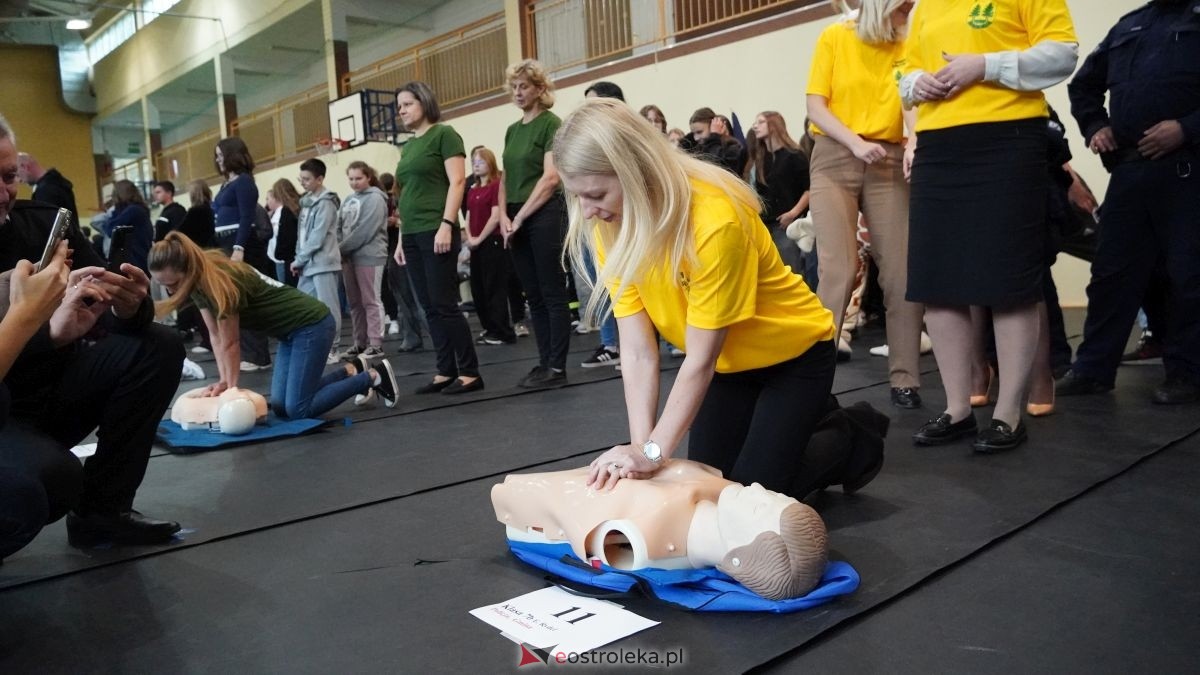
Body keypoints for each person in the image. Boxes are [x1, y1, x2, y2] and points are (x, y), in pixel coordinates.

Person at [554, 99, 880, 500]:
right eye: (578, 197)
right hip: (729, 366)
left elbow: (700, 359)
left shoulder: (713, 220)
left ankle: (848, 436)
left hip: (794, 357)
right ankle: (796, 427)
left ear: (635, 172)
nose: (586, 211)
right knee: (708, 489)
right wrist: (642, 451)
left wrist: (655, 452)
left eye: (596, 194)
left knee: (747, 498)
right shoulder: (615, 221)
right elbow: (638, 351)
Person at [900, 0, 1078, 451]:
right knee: (936, 280)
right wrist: (914, 83)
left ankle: (1007, 415)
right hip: (938, 145)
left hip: (1008, 139)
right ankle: (958, 408)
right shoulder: (924, 6)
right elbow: (904, 72)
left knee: (1009, 280)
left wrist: (986, 65)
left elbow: (1063, 54)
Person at [0, 116, 183, 549]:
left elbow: (107, 301)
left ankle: (104, 510)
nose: (4, 193)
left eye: (8, 177)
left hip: (49, 393)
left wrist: (130, 304)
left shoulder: (46, 226)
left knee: (158, 344)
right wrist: (47, 332)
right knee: (39, 485)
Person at [1057, 0, 1200, 405]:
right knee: (1111, 274)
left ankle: (1188, 373)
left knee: (1189, 276)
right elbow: (1082, 86)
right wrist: (1095, 125)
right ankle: (1092, 370)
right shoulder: (1129, 25)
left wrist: (1186, 129)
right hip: (1131, 171)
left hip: (1190, 168)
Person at [805, 0, 925, 409]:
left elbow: (909, 102)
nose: (909, 15)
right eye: (903, 8)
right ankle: (810, 382)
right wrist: (856, 143)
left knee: (901, 272)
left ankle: (905, 378)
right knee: (838, 267)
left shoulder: (907, 42)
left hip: (889, 159)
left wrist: (913, 141)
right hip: (835, 153)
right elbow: (815, 105)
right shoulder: (835, 37)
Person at [492, 459, 828, 600]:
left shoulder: (652, 537)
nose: (757, 488)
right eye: (772, 495)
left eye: (762, 505)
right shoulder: (719, 491)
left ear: (742, 552)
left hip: (553, 499)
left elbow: (573, 518)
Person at [149, 233, 399, 418]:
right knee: (280, 405)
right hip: (291, 334)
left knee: (299, 409)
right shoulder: (198, 283)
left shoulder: (221, 282)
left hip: (312, 325)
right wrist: (223, 383)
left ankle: (372, 377)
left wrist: (231, 390)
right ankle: (351, 370)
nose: (171, 290)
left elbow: (231, 342)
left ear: (187, 270)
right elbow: (215, 337)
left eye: (172, 283)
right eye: (165, 285)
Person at [395, 81, 483, 394]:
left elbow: (457, 182)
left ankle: (470, 372)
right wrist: (400, 240)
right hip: (413, 234)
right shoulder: (407, 147)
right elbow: (406, 193)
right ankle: (445, 370)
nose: (401, 110)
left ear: (424, 103)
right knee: (428, 307)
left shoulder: (444, 135)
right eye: (400, 106)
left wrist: (447, 224)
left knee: (445, 303)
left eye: (407, 104)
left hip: (436, 229)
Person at [500, 59, 572, 388]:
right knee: (533, 295)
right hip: (515, 216)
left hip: (543, 213)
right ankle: (543, 362)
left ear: (540, 89)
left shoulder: (551, 124)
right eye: (514, 87)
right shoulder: (512, 130)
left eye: (524, 86)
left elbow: (550, 177)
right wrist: (503, 216)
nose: (518, 92)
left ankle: (556, 366)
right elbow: (505, 177)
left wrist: (520, 216)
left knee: (551, 291)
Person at [212, 136, 273, 371]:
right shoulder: (228, 183)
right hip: (226, 243)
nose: (218, 160)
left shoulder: (244, 182)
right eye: (216, 157)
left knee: (246, 298)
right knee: (235, 299)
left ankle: (258, 355)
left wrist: (239, 247)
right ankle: (252, 352)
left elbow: (247, 217)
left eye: (221, 156)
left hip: (240, 244)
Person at [744, 111, 810, 284]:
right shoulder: (761, 159)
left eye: (760, 122)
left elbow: (809, 189)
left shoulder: (794, 155)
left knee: (791, 273)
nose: (755, 126)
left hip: (786, 225)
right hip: (765, 224)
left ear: (773, 125)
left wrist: (793, 213)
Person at [291, 158, 343, 363]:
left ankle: (333, 347)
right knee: (302, 304)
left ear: (320, 179)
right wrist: (299, 259)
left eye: (307, 179)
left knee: (329, 306)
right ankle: (313, 343)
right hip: (308, 264)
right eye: (301, 178)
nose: (302, 182)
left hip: (323, 263)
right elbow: (302, 235)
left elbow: (317, 236)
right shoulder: (306, 202)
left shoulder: (326, 203)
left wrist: (300, 259)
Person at [338, 161, 389, 359]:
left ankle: (375, 343)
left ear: (368, 177)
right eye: (351, 179)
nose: (354, 182)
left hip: (370, 255)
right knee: (354, 303)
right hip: (349, 257)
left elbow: (366, 230)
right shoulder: (349, 199)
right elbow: (339, 225)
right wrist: (340, 248)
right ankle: (360, 342)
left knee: (371, 300)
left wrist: (341, 248)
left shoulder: (376, 199)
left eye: (358, 178)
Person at [466, 147, 516, 345]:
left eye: (480, 162)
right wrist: (470, 237)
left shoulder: (496, 186)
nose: (476, 165)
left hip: (492, 242)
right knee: (478, 288)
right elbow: (468, 215)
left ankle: (502, 330)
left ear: (490, 163)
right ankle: (489, 327)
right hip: (476, 244)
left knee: (494, 287)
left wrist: (479, 239)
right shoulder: (472, 189)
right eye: (474, 162)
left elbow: (495, 216)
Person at [379, 172, 425, 351]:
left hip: (408, 248)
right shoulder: (396, 198)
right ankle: (412, 336)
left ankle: (433, 335)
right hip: (396, 249)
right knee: (403, 296)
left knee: (419, 297)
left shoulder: (413, 196)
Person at [100, 179, 154, 273]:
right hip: (142, 258)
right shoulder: (140, 209)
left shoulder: (132, 211)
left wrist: (115, 209)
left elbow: (110, 230)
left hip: (135, 260)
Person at [16, 151, 78, 224]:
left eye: (17, 175)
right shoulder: (57, 183)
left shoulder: (45, 191)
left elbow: (48, 225)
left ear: (25, 167)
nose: (19, 180)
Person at [266, 178, 300, 287]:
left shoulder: (286, 211)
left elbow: (286, 236)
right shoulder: (298, 207)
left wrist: (279, 254)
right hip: (298, 254)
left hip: (289, 257)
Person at [177, 179, 216, 248]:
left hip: (199, 248)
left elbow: (180, 232)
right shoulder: (211, 208)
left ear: (193, 194)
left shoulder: (195, 211)